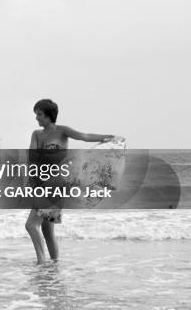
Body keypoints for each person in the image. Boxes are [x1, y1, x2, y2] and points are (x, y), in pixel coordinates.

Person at [25, 99, 115, 264]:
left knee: (31, 225)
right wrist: (32, 181)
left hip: (58, 182)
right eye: (36, 114)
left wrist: (104, 138)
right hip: (41, 183)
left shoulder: (63, 131)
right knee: (46, 228)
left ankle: (41, 262)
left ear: (49, 115)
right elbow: (31, 158)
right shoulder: (36, 134)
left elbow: (85, 136)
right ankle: (54, 266)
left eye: (39, 114)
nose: (36, 118)